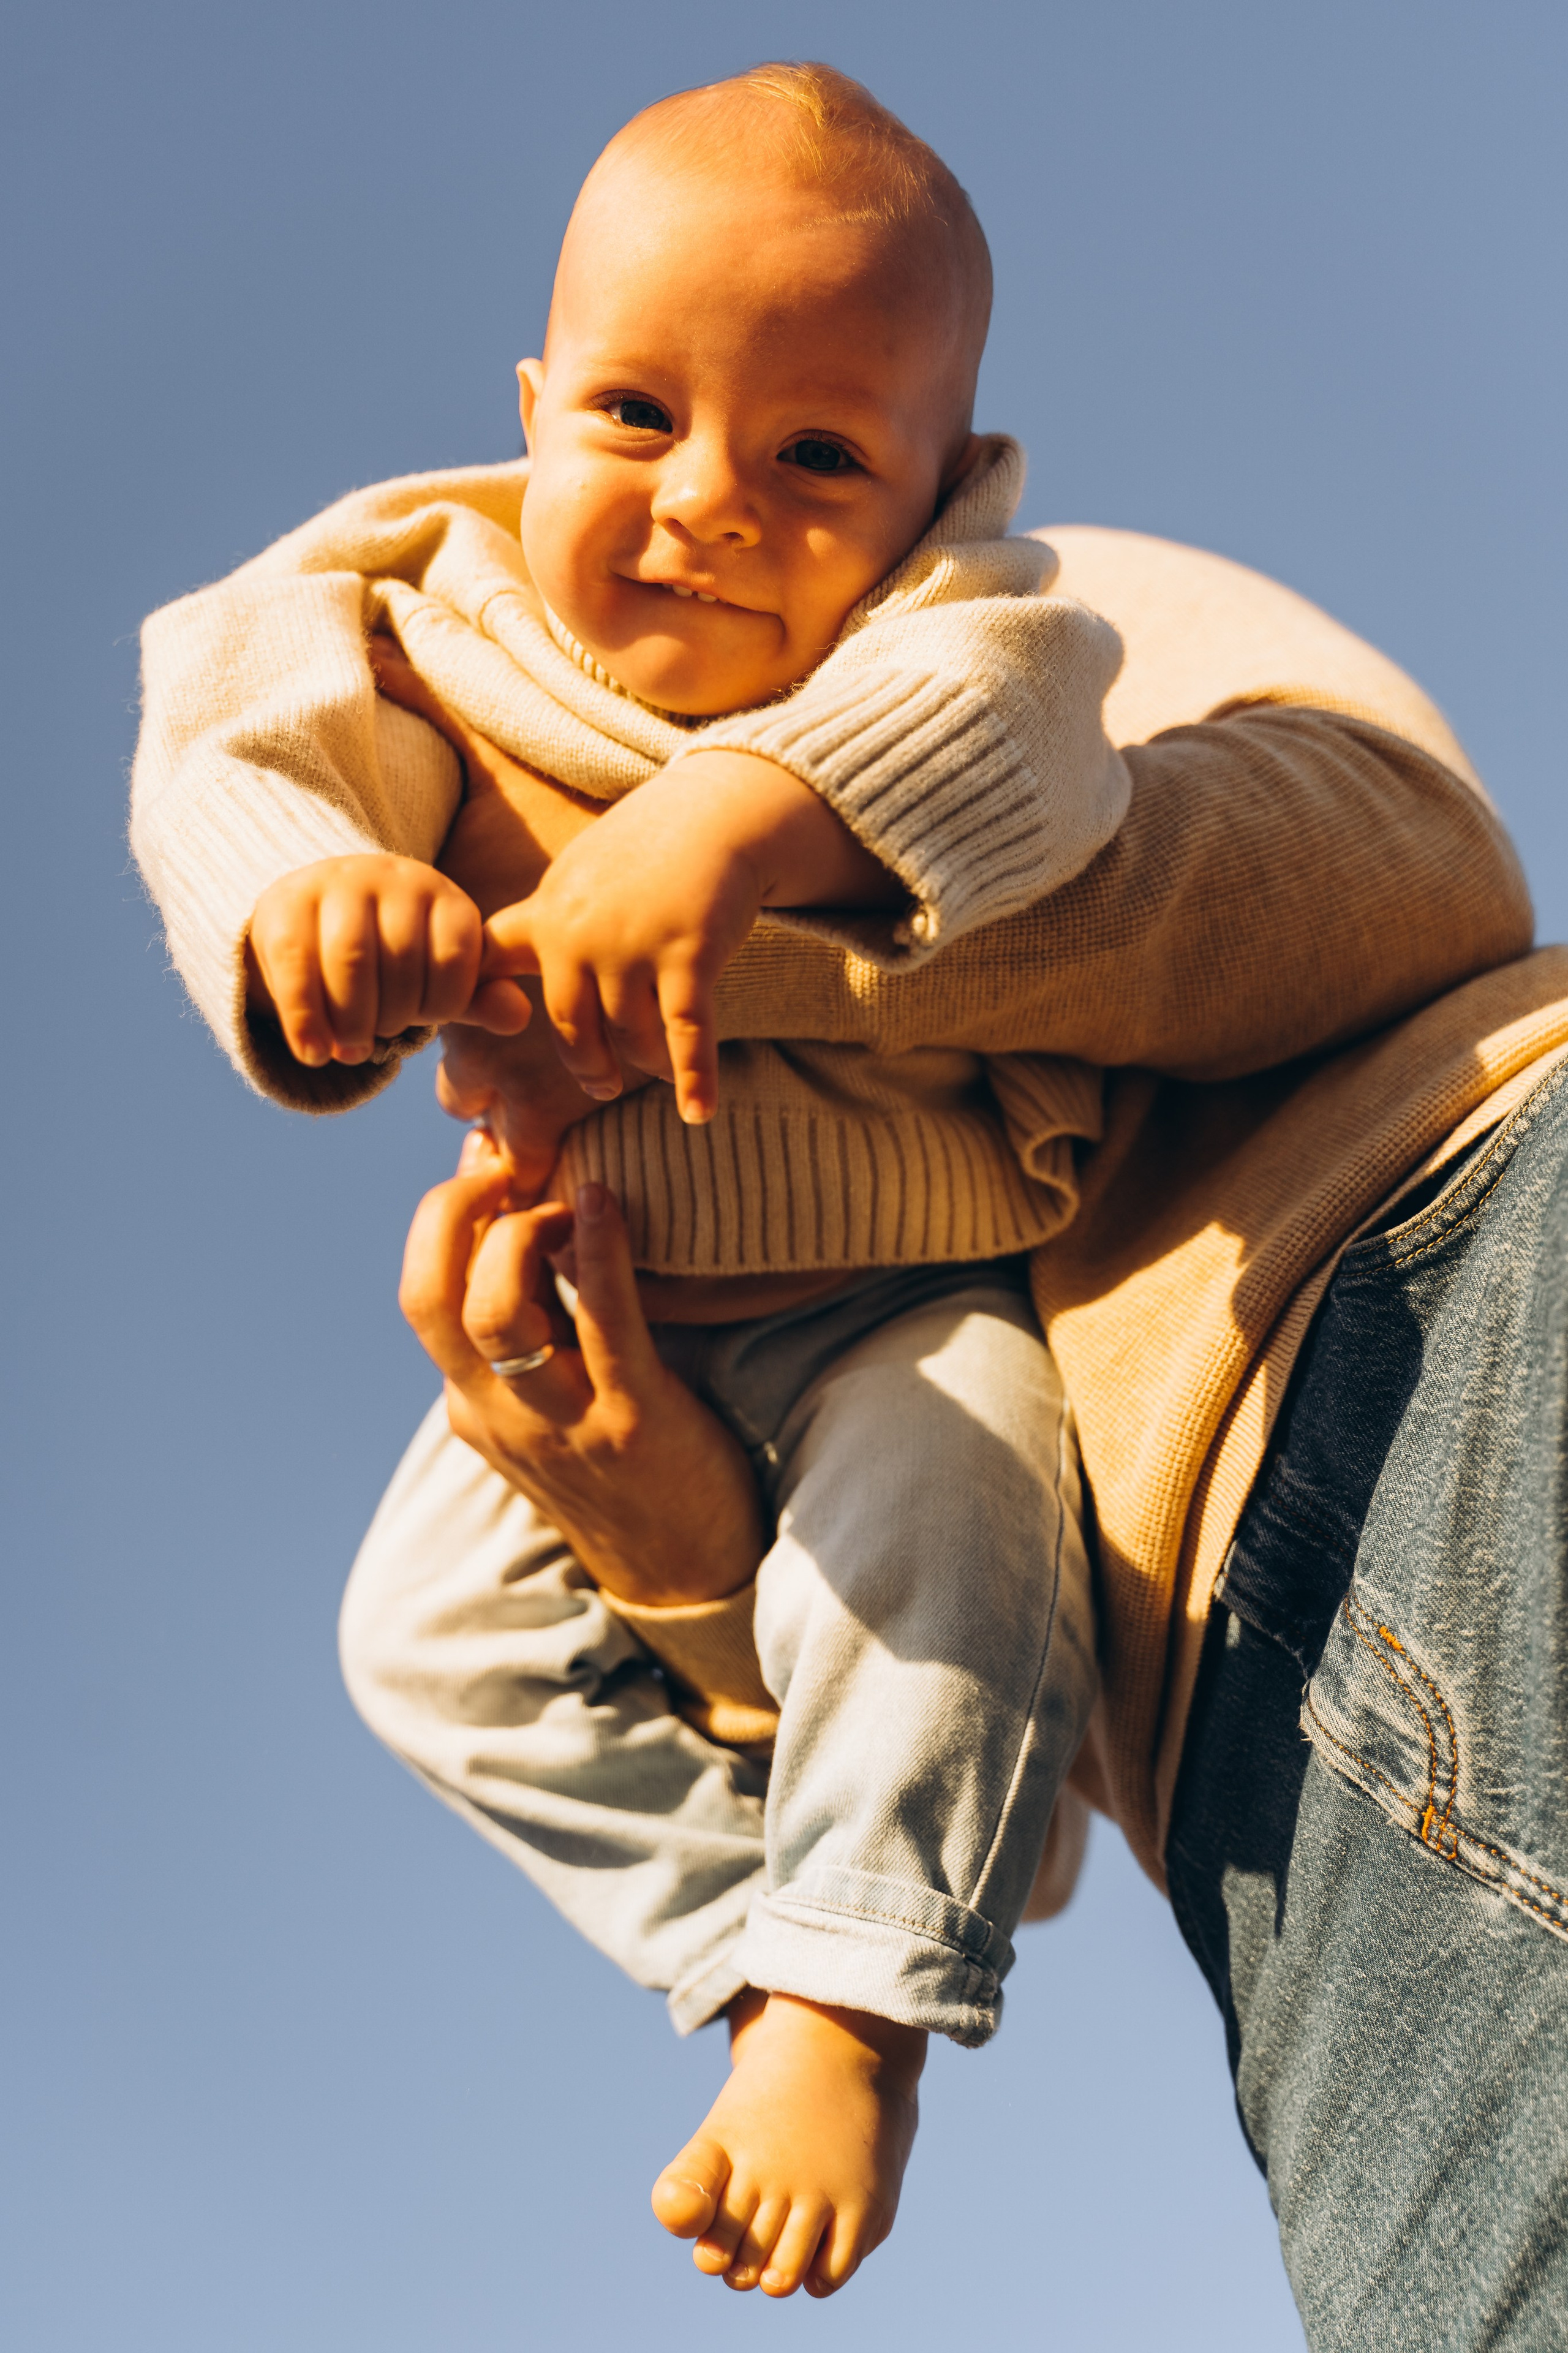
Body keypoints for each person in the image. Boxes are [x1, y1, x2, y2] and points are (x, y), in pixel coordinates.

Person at [129, 62, 1558, 2323]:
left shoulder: (965, 624)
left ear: (942, 485)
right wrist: (314, 902)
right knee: (420, 1640)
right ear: (532, 409)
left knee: (950, 1509)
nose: (709, 500)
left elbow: (1033, 739)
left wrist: (734, 830)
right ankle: (760, 1947)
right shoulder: (426, 603)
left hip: (899, 1284)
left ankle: (852, 2004)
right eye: (634, 415)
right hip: (601, 1287)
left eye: (818, 459)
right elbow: (238, 722)